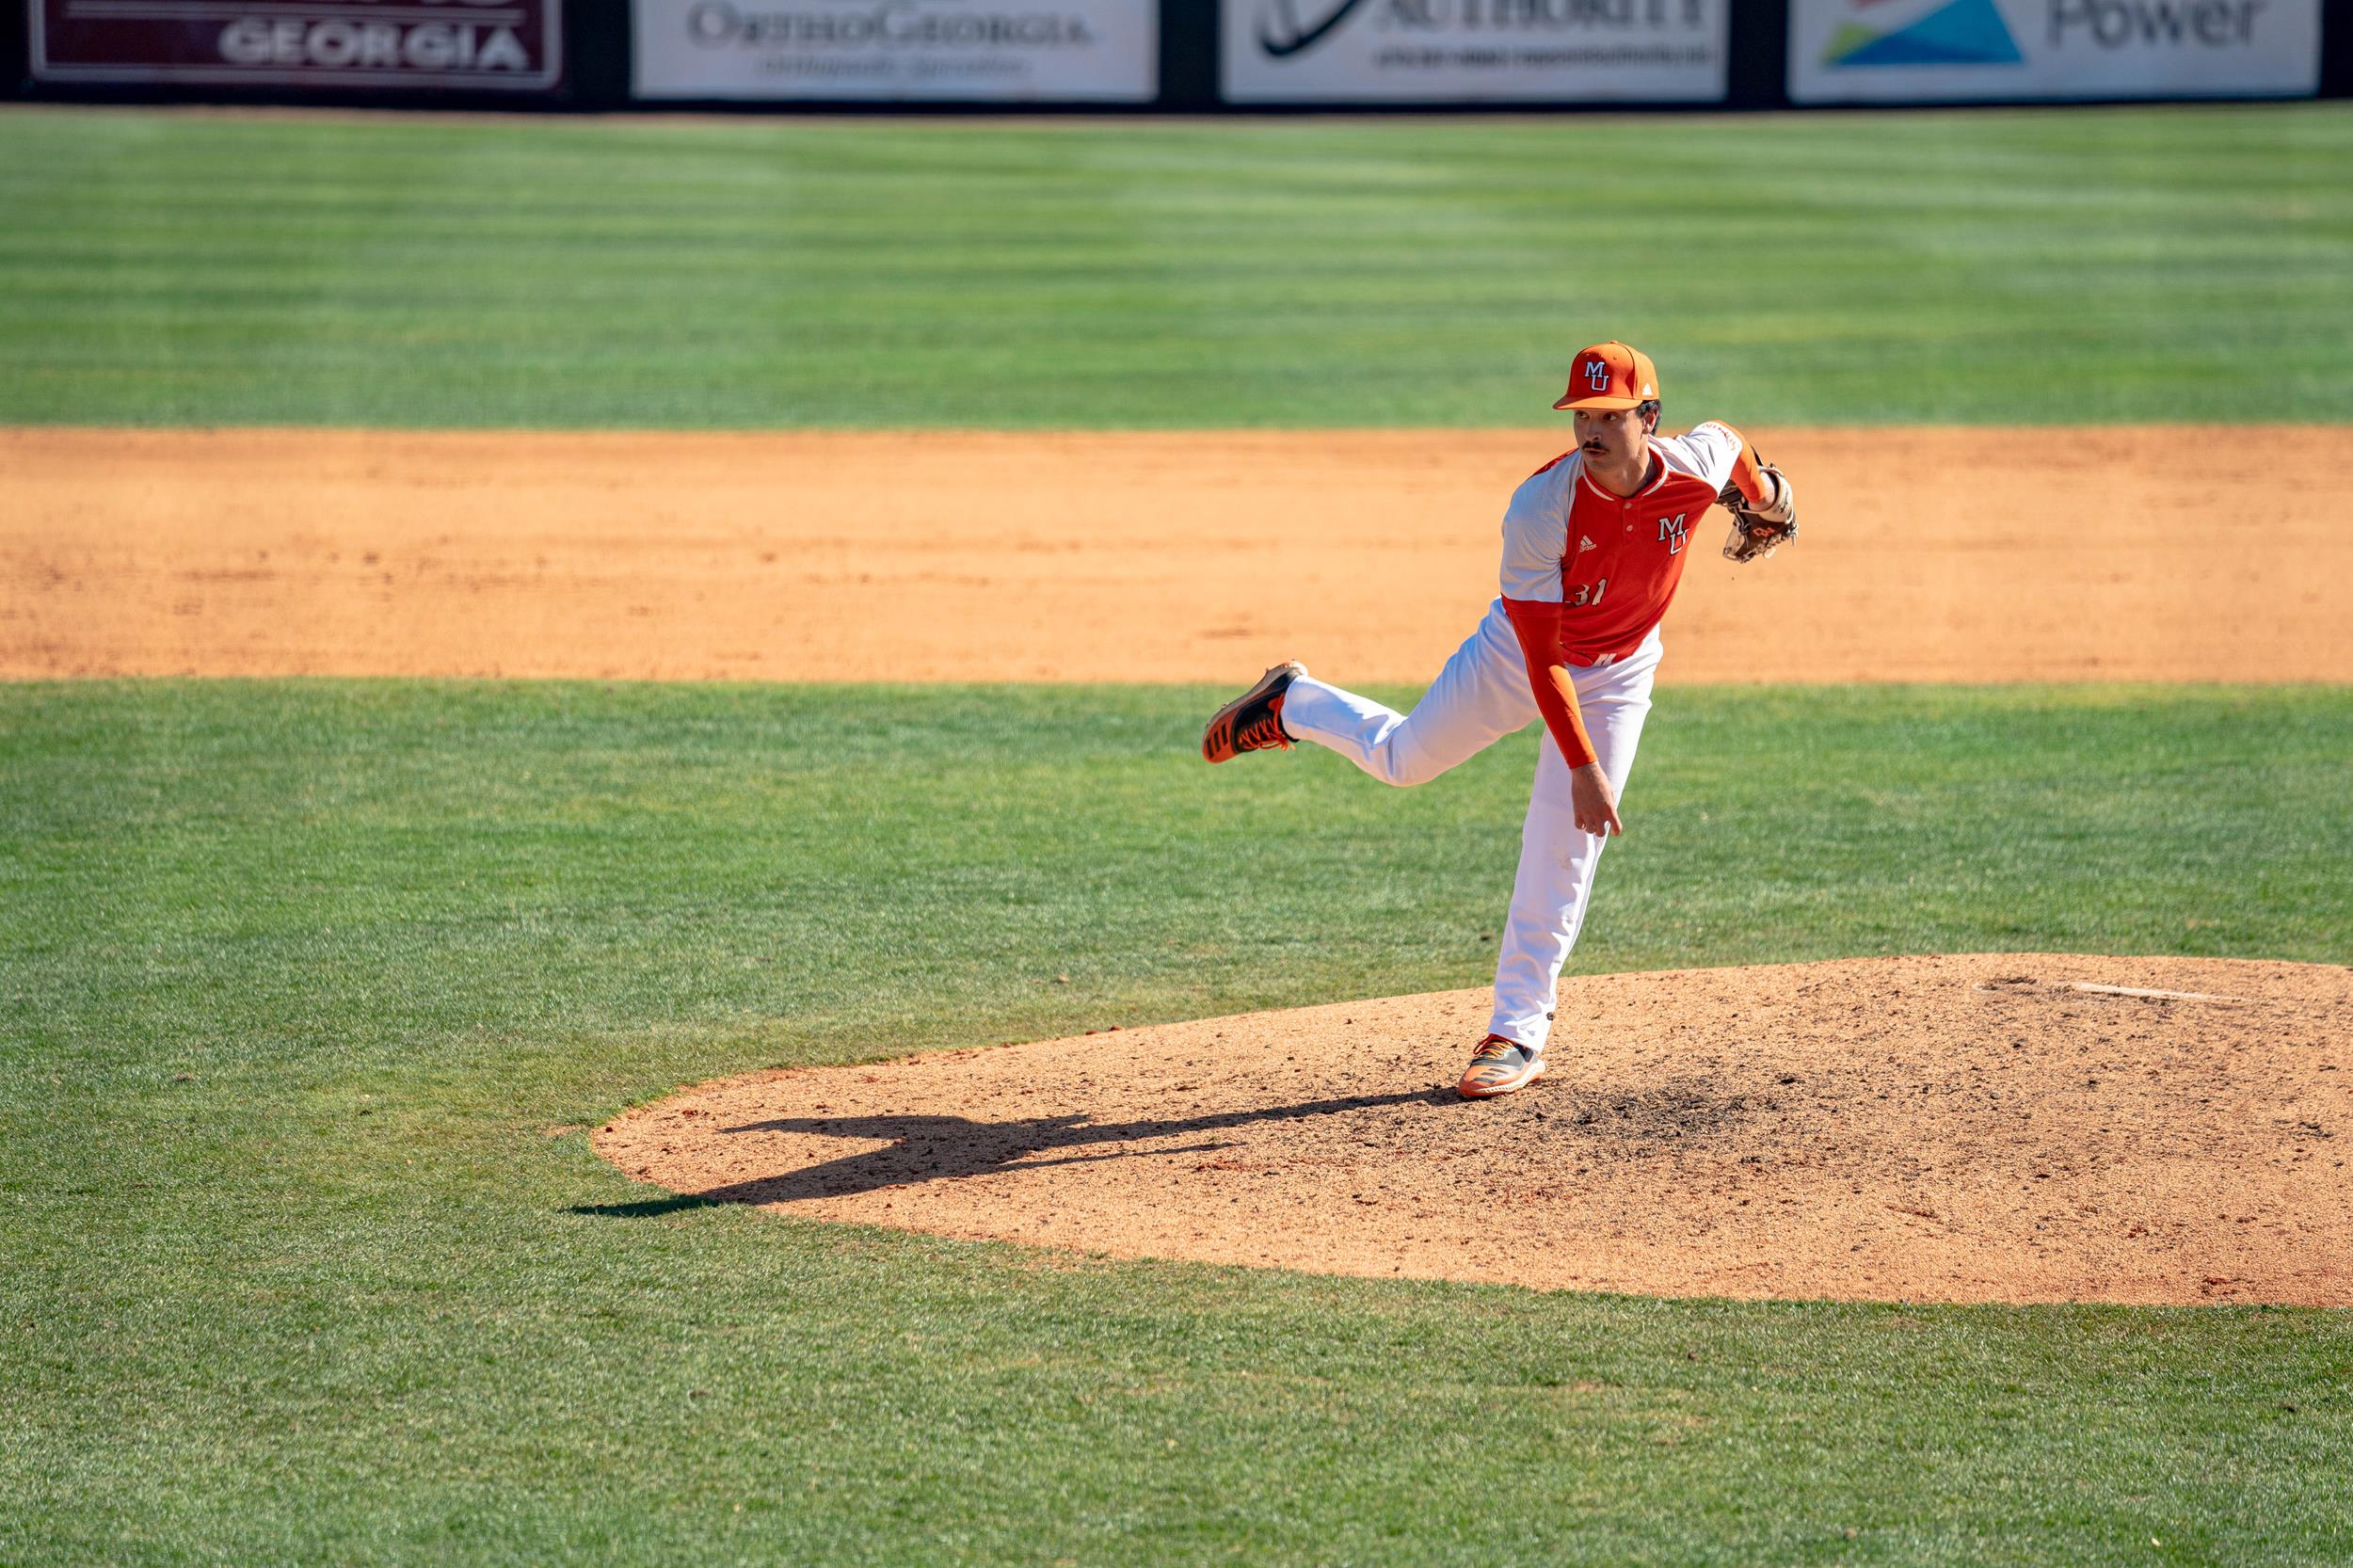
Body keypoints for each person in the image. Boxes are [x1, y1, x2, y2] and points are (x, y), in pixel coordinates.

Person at [1200, 341, 1797, 1099]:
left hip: (1619, 671)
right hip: (1519, 657)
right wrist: (1582, 766)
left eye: (1610, 415)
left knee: (1566, 850)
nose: (1592, 430)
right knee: (1404, 760)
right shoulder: (1541, 508)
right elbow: (1547, 659)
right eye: (1582, 414)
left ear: (1650, 418)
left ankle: (1516, 1032)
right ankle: (1293, 703)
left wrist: (1769, 494)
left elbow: (1734, 448)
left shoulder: (1694, 466)